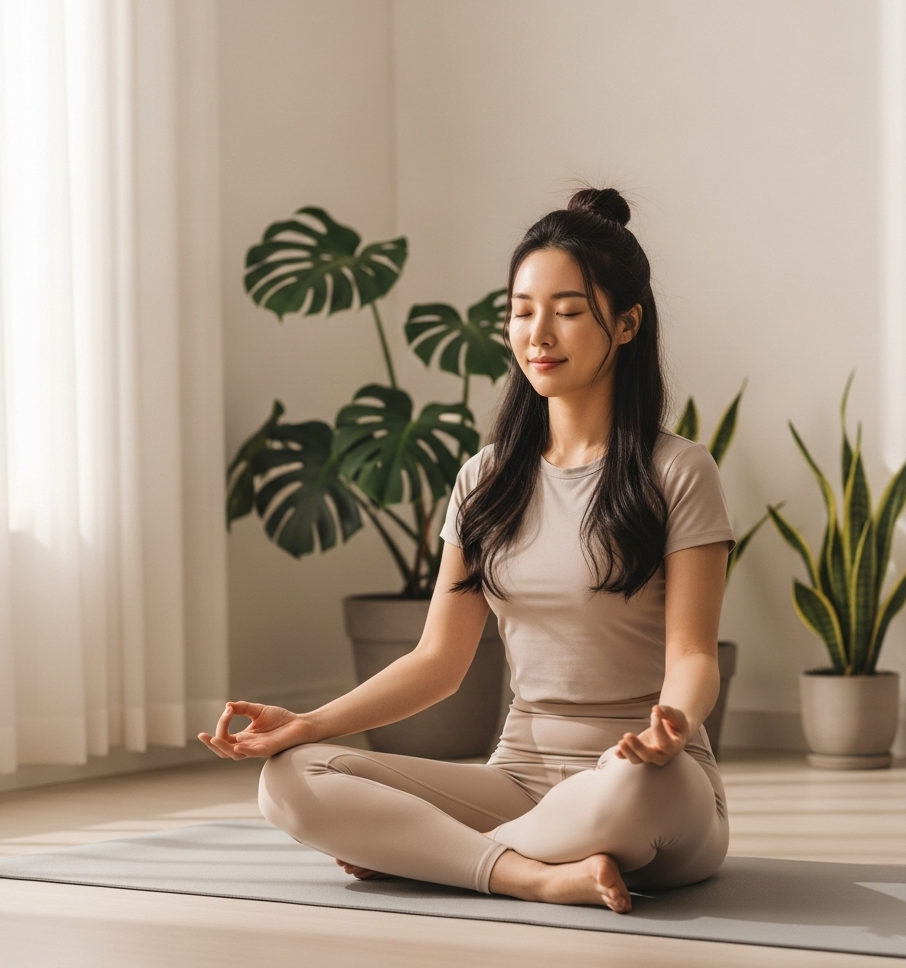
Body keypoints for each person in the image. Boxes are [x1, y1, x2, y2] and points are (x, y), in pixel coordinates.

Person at [200, 187, 735, 914]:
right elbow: (437, 661)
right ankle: (534, 874)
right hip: (519, 778)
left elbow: (694, 656)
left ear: (628, 322)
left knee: (630, 790)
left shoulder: (676, 472)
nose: (538, 334)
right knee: (291, 778)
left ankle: (443, 855)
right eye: (521, 312)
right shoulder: (485, 480)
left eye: (569, 312)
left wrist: (669, 728)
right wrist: (308, 723)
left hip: (649, 785)